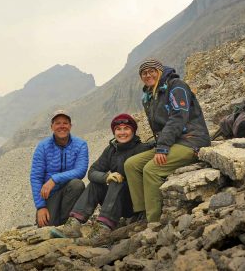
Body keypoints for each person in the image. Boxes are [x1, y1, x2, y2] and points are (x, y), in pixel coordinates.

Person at [124, 59, 210, 223]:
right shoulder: (150, 95)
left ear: (160, 71)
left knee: (151, 169)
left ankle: (154, 221)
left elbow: (178, 117)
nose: (148, 75)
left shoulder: (176, 86)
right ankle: (142, 212)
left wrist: (162, 147)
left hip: (190, 140)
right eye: (144, 73)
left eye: (152, 71)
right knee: (131, 164)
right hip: (172, 141)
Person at [54, 113, 153, 238]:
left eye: (126, 128)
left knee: (118, 181)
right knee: (96, 184)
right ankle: (73, 223)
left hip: (133, 203)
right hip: (114, 202)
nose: (122, 133)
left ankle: (102, 230)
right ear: (114, 132)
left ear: (133, 131)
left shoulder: (142, 149)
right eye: (118, 129)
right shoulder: (111, 150)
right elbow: (93, 171)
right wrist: (106, 177)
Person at [30, 110, 89, 227]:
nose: (62, 126)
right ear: (52, 127)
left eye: (65, 123)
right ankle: (54, 221)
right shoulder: (43, 146)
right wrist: (41, 207)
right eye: (57, 123)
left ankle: (65, 223)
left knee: (77, 184)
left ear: (70, 126)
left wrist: (54, 179)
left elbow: (81, 171)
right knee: (47, 226)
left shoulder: (81, 145)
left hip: (69, 191)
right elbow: (36, 177)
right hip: (50, 195)